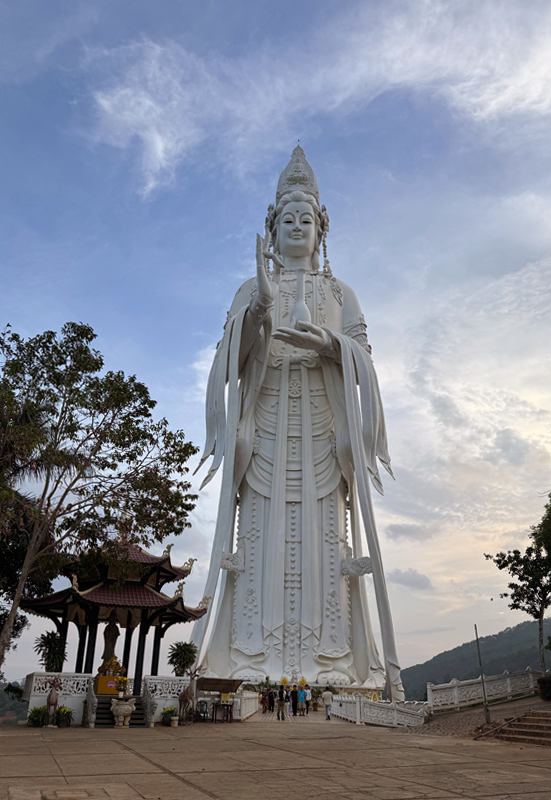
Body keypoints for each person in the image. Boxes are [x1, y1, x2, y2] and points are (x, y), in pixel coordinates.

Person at [191, 147, 405, 703]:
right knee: (257, 548)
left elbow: (366, 360)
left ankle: (333, 658)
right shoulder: (249, 290)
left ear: (321, 230)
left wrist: (332, 344)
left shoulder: (339, 294)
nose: (295, 228)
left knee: (324, 549)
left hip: (321, 437)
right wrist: (258, 313)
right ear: (270, 227)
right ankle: (246, 657)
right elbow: (227, 363)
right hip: (262, 435)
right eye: (286, 219)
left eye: (305, 220)